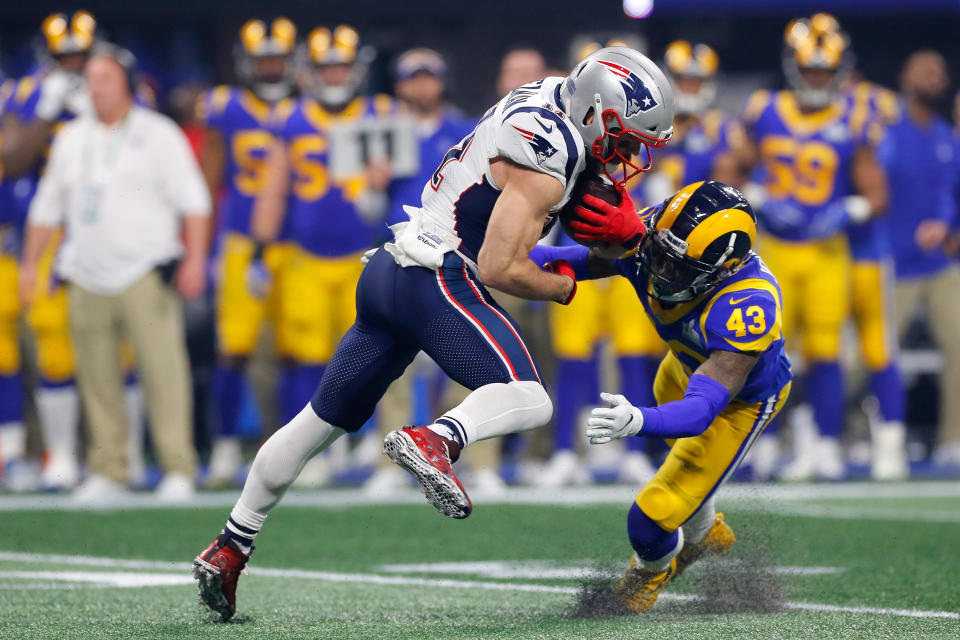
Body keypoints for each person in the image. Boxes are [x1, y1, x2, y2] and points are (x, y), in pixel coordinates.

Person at [193, 46, 675, 621]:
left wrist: (603, 249)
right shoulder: (554, 149)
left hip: (390, 269)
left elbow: (525, 226)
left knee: (315, 424)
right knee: (529, 397)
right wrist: (570, 285)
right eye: (623, 139)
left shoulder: (552, 95)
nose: (625, 156)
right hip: (436, 277)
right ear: (596, 111)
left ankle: (230, 544)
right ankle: (437, 440)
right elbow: (502, 267)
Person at [529, 181, 792, 612]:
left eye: (679, 268)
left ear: (721, 270)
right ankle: (704, 533)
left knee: (651, 518)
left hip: (734, 403)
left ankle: (647, 575)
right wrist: (484, 256)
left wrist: (640, 422)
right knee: (685, 480)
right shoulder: (658, 235)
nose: (662, 272)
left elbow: (703, 410)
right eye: (661, 257)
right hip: (682, 368)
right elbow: (581, 261)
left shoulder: (748, 303)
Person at [19, 44, 211, 501]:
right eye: (91, 81)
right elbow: (47, 208)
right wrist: (31, 264)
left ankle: (177, 466)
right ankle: (109, 469)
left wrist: (196, 258)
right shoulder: (70, 137)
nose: (96, 89)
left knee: (164, 372)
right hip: (83, 271)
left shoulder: (158, 133)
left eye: (105, 79)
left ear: (127, 84)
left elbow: (195, 202)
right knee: (96, 377)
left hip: (145, 269)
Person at [244, 24, 398, 487]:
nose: (335, 76)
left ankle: (368, 440)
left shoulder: (382, 111)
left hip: (367, 252)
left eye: (343, 67)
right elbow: (273, 188)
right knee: (306, 354)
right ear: (311, 72)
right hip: (305, 257)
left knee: (369, 351)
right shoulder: (291, 118)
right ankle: (310, 450)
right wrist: (258, 249)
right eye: (327, 67)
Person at [743, 14, 888, 480]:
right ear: (794, 68)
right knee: (764, 348)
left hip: (827, 250)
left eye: (825, 71)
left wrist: (850, 210)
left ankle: (825, 442)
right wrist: (756, 194)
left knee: (825, 350)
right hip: (777, 249)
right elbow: (731, 165)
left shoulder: (852, 116)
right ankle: (765, 442)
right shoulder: (764, 109)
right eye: (812, 71)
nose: (818, 79)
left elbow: (877, 193)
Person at [0, 11, 108, 490]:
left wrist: (96, 115)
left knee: (117, 349)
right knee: (53, 347)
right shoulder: (25, 95)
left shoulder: (115, 90)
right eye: (64, 57)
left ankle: (112, 455)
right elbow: (14, 162)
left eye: (79, 56)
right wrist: (46, 113)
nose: (72, 65)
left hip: (107, 231)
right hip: (46, 233)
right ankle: (60, 455)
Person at [198, 17, 299, 488]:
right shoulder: (225, 106)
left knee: (299, 350)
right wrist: (206, 246)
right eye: (264, 60)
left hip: (296, 244)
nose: (271, 68)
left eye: (278, 58)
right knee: (233, 349)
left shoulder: (308, 109)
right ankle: (223, 446)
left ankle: (295, 449)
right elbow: (208, 180)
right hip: (242, 240)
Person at [878, 50, 960, 469]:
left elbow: (953, 194)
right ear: (906, 77)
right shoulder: (887, 131)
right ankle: (842, 431)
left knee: (959, 342)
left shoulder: (948, 135)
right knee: (869, 357)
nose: (934, 76)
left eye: (939, 70)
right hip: (893, 263)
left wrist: (952, 229)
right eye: (925, 69)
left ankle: (953, 440)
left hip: (941, 264)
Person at [842, 70, 908, 479]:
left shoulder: (877, 110)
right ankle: (819, 439)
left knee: (879, 350)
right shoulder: (789, 113)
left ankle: (891, 444)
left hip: (866, 251)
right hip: (819, 251)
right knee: (817, 354)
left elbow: (882, 184)